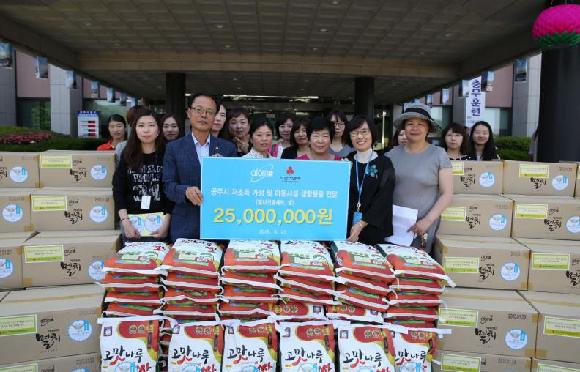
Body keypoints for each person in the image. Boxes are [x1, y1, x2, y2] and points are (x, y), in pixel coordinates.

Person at [163, 93, 237, 242]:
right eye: (199, 109)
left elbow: (235, 186)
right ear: (189, 112)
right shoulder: (174, 148)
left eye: (209, 112)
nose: (204, 115)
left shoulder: (227, 149)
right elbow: (168, 185)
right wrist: (185, 191)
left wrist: (223, 171)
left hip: (219, 224)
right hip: (185, 225)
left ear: (215, 116)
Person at [386, 103, 453, 254]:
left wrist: (427, 221)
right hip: (392, 225)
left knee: (415, 270)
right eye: (410, 124)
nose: (414, 128)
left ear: (428, 128)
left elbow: (447, 193)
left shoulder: (439, 154)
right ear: (403, 128)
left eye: (420, 124)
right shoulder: (391, 154)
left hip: (421, 226)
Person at [113, 109, 172, 241]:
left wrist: (167, 222)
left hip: (161, 225)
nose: (146, 130)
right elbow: (118, 189)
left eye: (151, 125)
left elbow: (171, 190)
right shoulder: (127, 154)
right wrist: (125, 221)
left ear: (158, 130)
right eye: (141, 125)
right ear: (135, 130)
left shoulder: (168, 153)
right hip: (133, 225)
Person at [344, 115, 395, 245]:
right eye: (354, 133)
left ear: (372, 133)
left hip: (373, 228)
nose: (360, 137)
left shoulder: (384, 163)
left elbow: (384, 198)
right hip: (346, 228)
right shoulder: (345, 162)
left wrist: (361, 224)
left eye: (364, 131)